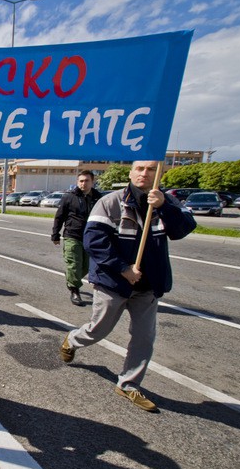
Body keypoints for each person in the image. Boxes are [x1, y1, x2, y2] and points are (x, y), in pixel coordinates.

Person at [60, 161, 196, 412]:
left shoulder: (166, 201)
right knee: (98, 329)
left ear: (159, 173)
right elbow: (95, 241)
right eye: (140, 169)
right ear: (131, 173)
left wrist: (164, 206)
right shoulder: (111, 202)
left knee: (144, 337)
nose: (145, 174)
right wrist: (123, 268)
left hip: (148, 285)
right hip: (113, 282)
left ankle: (128, 384)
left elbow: (183, 229)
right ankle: (72, 340)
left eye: (151, 169)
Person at [51, 170, 103, 306]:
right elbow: (59, 216)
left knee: (86, 267)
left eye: (86, 181)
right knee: (74, 264)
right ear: (77, 182)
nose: (83, 184)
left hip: (91, 237)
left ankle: (71, 278)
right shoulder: (69, 197)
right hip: (72, 235)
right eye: (81, 181)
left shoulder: (98, 198)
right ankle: (74, 290)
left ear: (92, 182)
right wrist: (55, 234)